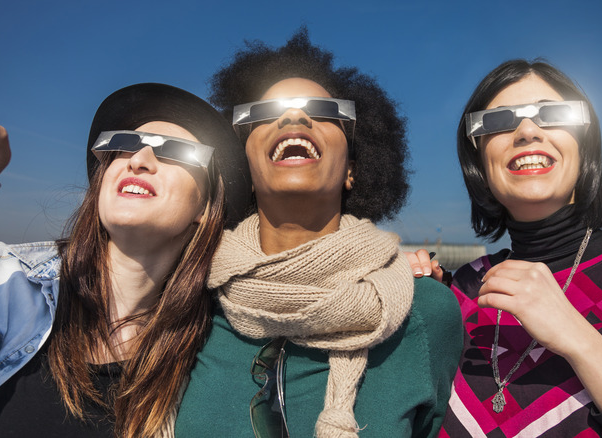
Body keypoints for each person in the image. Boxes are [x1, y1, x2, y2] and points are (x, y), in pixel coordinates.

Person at [0, 31, 251, 437]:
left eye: (175, 151)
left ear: (206, 208)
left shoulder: (215, 351)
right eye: (126, 143)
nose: (139, 159)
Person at [174, 29, 462, 437]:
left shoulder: (427, 313)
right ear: (246, 172)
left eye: (324, 110)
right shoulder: (188, 299)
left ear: (352, 171)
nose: (294, 117)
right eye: (267, 112)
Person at [406, 59, 602, 436]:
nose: (528, 131)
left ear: (584, 145)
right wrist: (421, 310)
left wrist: (577, 336)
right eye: (499, 120)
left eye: (553, 114)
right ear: (479, 161)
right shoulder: (463, 289)